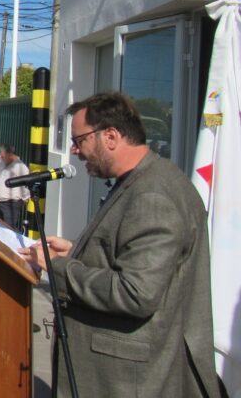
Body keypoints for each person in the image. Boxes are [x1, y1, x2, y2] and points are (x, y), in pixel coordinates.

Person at [18, 92, 221, 398]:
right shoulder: (138, 181)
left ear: (110, 136)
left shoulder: (154, 195)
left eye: (79, 140)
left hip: (130, 380)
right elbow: (133, 257)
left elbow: (136, 293)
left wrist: (58, 266)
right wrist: (76, 251)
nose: (74, 150)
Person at [0, 144, 29, 229]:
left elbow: (25, 184)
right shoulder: (3, 164)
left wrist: (25, 198)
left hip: (11, 204)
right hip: (1, 203)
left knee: (8, 228)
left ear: (10, 154)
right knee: (0, 228)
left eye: (2, 156)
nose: (0, 158)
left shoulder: (21, 167)